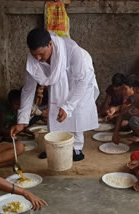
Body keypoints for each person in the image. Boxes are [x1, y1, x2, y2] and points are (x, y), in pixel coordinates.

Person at [10, 28, 99, 161]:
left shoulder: (72, 50)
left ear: (50, 44)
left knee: (76, 112)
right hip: (58, 83)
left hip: (80, 79)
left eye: (41, 54)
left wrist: (68, 107)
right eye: (35, 55)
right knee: (55, 108)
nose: (38, 58)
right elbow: (28, 90)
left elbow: (82, 81)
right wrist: (22, 120)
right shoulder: (34, 59)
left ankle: (76, 149)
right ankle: (55, 146)